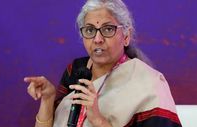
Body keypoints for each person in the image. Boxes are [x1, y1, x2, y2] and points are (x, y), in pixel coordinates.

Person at [24, 0, 182, 127]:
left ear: (126, 36)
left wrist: (98, 120)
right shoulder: (76, 71)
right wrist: (47, 100)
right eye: (90, 30)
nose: (97, 39)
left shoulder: (149, 83)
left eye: (107, 29)